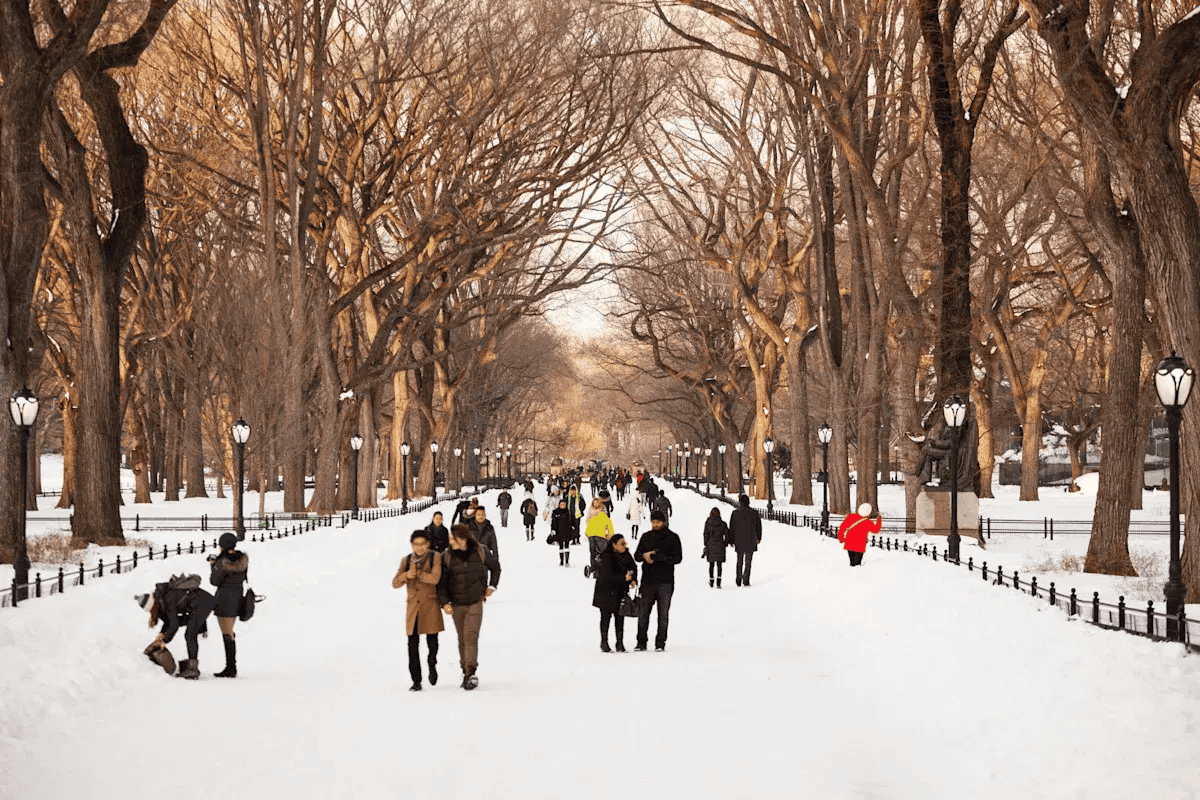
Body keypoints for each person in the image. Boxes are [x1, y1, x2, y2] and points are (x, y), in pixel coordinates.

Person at [437, 525, 501, 690]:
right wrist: (444, 603)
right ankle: (464, 668)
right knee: (462, 638)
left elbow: (495, 567)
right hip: (456, 604)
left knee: (471, 636)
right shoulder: (446, 556)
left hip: (475, 601)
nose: (450, 541)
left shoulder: (481, 551)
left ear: (463, 539)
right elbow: (441, 583)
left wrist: (492, 586)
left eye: (453, 538)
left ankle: (470, 672)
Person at [137, 574, 215, 679]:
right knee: (189, 632)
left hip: (203, 603)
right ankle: (191, 666)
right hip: (197, 605)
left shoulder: (168, 598)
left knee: (190, 635)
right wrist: (162, 633)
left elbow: (174, 624)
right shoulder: (162, 599)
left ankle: (193, 669)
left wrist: (164, 641)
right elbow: (170, 621)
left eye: (151, 610)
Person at [393, 530, 444, 690]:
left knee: (432, 643)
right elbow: (395, 583)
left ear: (428, 544)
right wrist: (407, 575)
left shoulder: (435, 557)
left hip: (430, 606)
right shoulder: (406, 560)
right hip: (413, 608)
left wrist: (419, 574)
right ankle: (416, 680)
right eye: (416, 544)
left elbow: (435, 578)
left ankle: (432, 664)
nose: (419, 547)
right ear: (412, 545)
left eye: (422, 544)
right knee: (412, 645)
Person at [634, 510, 683, 652]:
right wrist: (645, 556)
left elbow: (678, 558)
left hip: (665, 581)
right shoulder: (646, 537)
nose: (655, 525)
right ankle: (641, 642)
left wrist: (660, 558)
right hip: (648, 581)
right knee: (643, 613)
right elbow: (636, 556)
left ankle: (660, 643)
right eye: (653, 522)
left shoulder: (673, 538)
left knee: (663, 614)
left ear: (664, 522)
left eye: (658, 522)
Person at [208, 532, 249, 678]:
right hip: (238, 597)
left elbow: (214, 581)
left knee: (227, 634)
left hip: (224, 599)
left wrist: (213, 565)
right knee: (230, 632)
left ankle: (231, 668)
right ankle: (231, 666)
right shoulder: (242, 560)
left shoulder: (222, 562)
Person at [593, 534, 636, 652]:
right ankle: (604, 642)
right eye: (622, 544)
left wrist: (633, 579)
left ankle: (620, 642)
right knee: (605, 618)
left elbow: (633, 567)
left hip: (620, 591)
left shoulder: (626, 554)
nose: (624, 546)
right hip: (606, 592)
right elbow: (607, 574)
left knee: (620, 617)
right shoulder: (607, 556)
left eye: (625, 543)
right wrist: (624, 578)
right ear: (614, 545)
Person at [729, 494, 762, 586]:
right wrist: (759, 538)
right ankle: (746, 579)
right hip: (751, 539)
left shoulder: (735, 513)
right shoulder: (754, 513)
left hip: (739, 539)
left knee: (739, 560)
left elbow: (732, 528)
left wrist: (731, 540)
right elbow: (758, 527)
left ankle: (738, 578)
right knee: (748, 561)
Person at [584, 497, 615, 578]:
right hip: (591, 535)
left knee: (601, 552)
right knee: (593, 552)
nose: (596, 504)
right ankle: (594, 567)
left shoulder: (603, 513)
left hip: (601, 535)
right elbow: (588, 524)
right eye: (594, 503)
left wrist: (610, 535)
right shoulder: (590, 513)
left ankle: (600, 568)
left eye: (597, 503)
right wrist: (587, 532)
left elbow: (609, 525)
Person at [702, 507, 731, 588]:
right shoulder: (722, 524)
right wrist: (725, 543)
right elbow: (727, 534)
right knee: (719, 564)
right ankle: (718, 581)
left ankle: (711, 580)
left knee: (711, 564)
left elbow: (705, 534)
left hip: (711, 544)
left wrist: (706, 543)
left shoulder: (708, 523)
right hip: (720, 544)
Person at [551, 499, 574, 566]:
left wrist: (573, 527)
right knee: (561, 546)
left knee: (567, 545)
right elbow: (553, 522)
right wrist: (553, 530)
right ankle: (561, 561)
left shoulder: (568, 512)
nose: (563, 506)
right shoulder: (555, 512)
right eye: (561, 504)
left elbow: (572, 521)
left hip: (567, 531)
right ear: (559, 505)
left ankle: (567, 561)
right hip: (559, 531)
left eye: (564, 504)